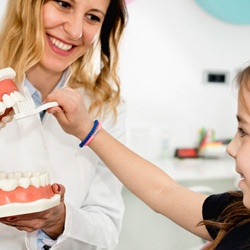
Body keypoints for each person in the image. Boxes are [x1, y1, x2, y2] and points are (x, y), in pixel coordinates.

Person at [44, 65, 250, 250]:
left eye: (243, 131)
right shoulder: (237, 214)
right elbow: (162, 191)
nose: (230, 147)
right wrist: (86, 129)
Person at [0, 0, 127, 249]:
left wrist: (60, 221)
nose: (75, 31)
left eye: (92, 17)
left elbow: (107, 230)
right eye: (64, 4)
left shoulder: (107, 106)